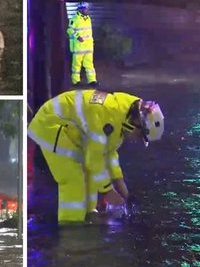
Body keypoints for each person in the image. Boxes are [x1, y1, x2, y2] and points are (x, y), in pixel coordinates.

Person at [27, 89, 164, 225]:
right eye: (140, 135)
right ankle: (71, 228)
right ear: (138, 122)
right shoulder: (108, 117)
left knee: (88, 176)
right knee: (74, 179)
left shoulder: (121, 115)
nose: (137, 139)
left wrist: (125, 193)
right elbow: (94, 160)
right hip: (50, 126)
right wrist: (109, 192)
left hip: (65, 127)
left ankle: (89, 214)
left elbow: (109, 154)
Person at [67, 2, 98, 87]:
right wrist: (78, 37)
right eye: (85, 8)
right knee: (76, 66)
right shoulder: (75, 19)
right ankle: (76, 81)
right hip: (78, 47)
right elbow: (70, 31)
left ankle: (92, 81)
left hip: (88, 47)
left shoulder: (88, 18)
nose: (87, 10)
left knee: (89, 65)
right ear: (81, 9)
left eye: (87, 8)